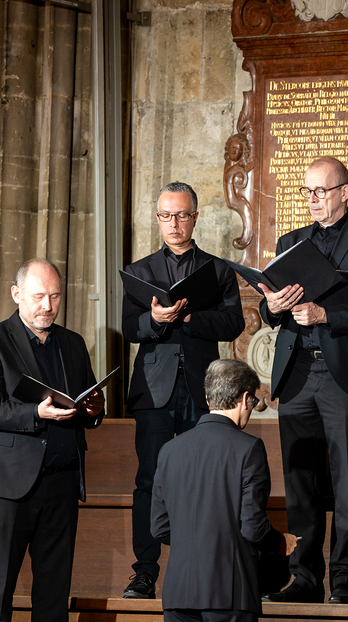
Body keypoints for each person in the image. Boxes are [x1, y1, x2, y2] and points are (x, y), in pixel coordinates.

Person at [259, 156, 348, 605]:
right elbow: (268, 308)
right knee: (300, 480)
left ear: (345, 192)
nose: (313, 199)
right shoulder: (290, 241)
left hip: (345, 375)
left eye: (321, 191)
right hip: (297, 373)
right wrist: (272, 307)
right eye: (308, 191)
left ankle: (345, 578)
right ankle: (303, 576)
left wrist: (326, 315)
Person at [0, 258, 106, 622]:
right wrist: (35, 413)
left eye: (55, 296)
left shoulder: (72, 343)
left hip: (62, 482)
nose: (48, 306)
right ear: (17, 294)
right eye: (38, 296)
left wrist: (94, 409)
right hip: (8, 484)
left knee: (54, 597)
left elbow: (84, 402)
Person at [122, 182, 246, 599]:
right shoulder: (139, 271)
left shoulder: (217, 270)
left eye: (181, 215)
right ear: (157, 218)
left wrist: (190, 319)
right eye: (165, 216)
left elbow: (234, 324)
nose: (173, 224)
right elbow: (129, 327)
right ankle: (144, 572)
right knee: (149, 479)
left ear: (195, 217)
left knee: (202, 479)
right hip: (154, 389)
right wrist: (155, 320)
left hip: (202, 388)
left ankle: (199, 567)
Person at [150, 359, 297, 622]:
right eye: (253, 401)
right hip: (229, 592)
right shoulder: (248, 448)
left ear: (208, 398)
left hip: (177, 593)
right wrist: (279, 541)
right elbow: (252, 527)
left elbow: (160, 527)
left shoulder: (170, 450)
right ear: (245, 399)